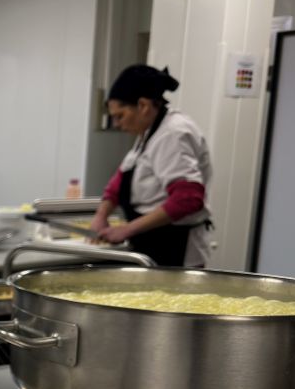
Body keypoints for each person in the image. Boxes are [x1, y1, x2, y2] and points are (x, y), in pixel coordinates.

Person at [90, 65, 214, 267]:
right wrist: (101, 215)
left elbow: (188, 198)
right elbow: (121, 179)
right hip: (151, 241)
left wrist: (127, 229)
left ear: (143, 105)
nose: (117, 124)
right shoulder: (149, 133)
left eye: (120, 115)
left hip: (174, 246)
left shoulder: (173, 133)